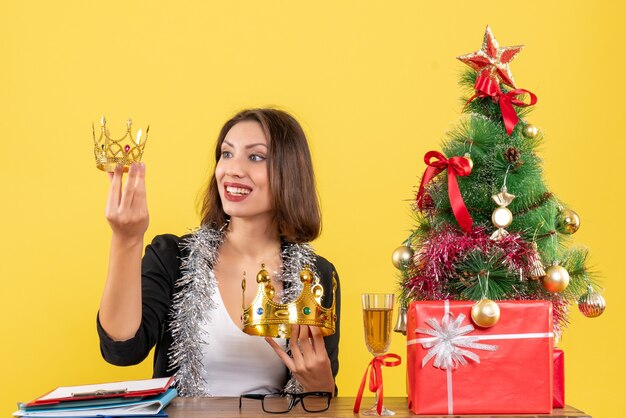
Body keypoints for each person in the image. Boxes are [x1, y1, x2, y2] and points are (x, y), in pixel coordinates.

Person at [96, 108, 340, 397]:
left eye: (256, 156)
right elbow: (122, 351)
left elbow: (320, 398)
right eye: (226, 153)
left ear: (290, 173)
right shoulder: (173, 257)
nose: (232, 169)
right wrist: (127, 239)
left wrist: (322, 386)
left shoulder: (316, 275)